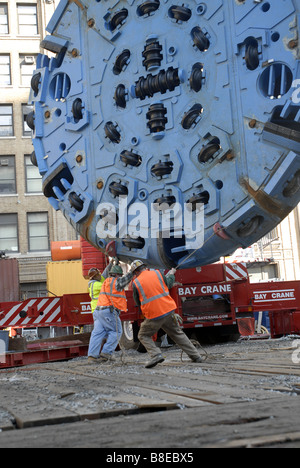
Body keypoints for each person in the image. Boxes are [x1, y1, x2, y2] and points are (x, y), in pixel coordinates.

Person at [130, 260, 203, 369]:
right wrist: (172, 274)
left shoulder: (135, 283)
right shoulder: (157, 273)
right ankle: (196, 356)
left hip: (153, 314)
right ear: (145, 267)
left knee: (143, 335)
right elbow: (168, 284)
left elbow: (137, 302)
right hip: (168, 310)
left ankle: (156, 355)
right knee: (177, 334)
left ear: (135, 272)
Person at [88, 262, 132, 363]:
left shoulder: (105, 281)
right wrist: (132, 271)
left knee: (97, 333)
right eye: (120, 275)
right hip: (107, 311)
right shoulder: (109, 283)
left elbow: (104, 274)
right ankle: (106, 353)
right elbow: (123, 281)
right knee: (116, 331)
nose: (120, 277)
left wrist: (113, 263)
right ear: (117, 275)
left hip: (98, 311)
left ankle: (92, 356)